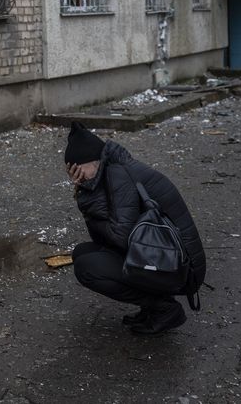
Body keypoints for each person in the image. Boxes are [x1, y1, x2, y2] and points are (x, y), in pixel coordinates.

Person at [64, 122, 206, 335]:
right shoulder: (113, 170)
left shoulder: (119, 175)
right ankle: (153, 304)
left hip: (182, 268)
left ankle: (164, 309)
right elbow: (104, 239)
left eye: (77, 169)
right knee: (83, 252)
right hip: (169, 258)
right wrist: (86, 192)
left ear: (91, 162)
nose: (77, 176)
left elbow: (121, 238)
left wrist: (87, 195)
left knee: (87, 268)